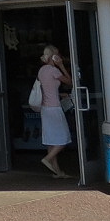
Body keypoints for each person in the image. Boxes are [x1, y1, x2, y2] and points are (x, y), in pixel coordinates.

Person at [35, 44, 74, 178]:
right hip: (54, 108)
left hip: (45, 109)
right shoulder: (53, 70)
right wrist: (61, 65)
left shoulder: (41, 70)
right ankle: (47, 159)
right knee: (63, 139)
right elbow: (69, 82)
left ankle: (58, 172)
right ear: (54, 56)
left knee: (51, 141)